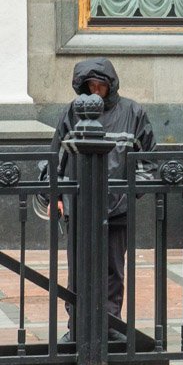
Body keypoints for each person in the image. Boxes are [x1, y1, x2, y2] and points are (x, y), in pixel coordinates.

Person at [51, 58, 154, 337]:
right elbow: (57, 158)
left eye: (101, 85)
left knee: (112, 270)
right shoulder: (71, 112)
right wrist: (56, 195)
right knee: (78, 270)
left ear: (111, 85)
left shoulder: (133, 111)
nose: (96, 91)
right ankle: (77, 327)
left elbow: (147, 160)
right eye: (90, 86)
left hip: (116, 208)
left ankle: (110, 324)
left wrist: (131, 194)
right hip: (80, 206)